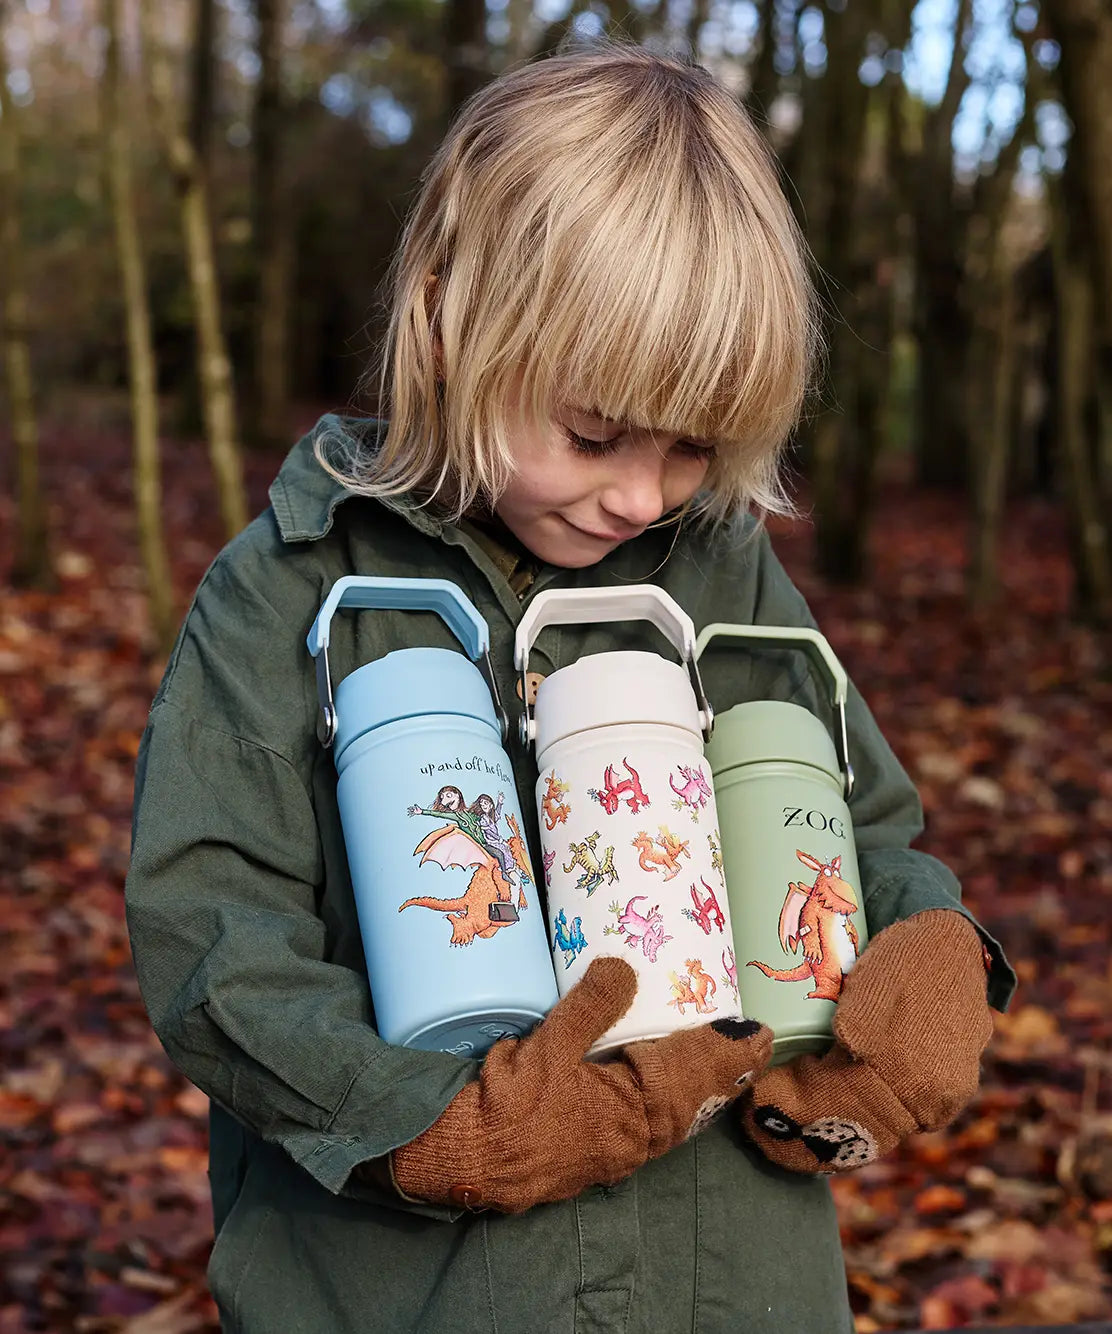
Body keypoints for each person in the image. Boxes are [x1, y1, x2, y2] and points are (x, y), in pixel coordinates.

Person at [124, 42, 1015, 1333]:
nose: (640, 493)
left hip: (733, 1284)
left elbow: (860, 827)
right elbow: (213, 936)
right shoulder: (290, 590)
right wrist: (430, 1126)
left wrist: (928, 954)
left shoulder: (720, 573)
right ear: (447, 320)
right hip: (416, 1294)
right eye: (595, 433)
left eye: (693, 444)